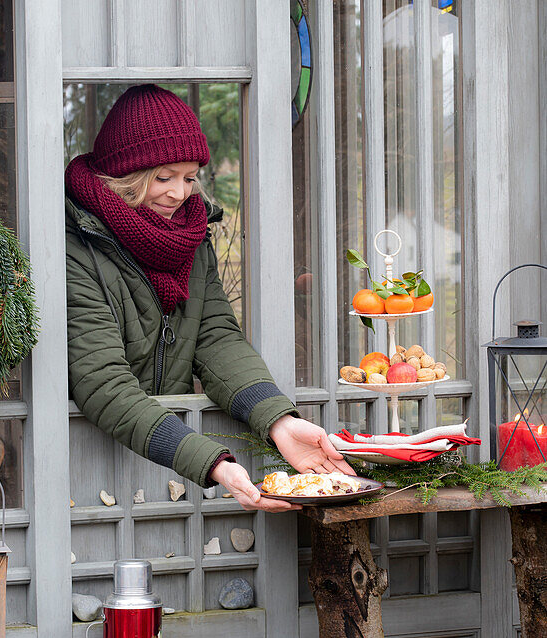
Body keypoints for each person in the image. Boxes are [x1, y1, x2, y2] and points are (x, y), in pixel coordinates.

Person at [64, 85, 353, 512]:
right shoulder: (75, 244)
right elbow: (103, 384)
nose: (179, 193)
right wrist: (213, 463)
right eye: (163, 177)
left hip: (173, 468)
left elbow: (215, 337)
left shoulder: (190, 236)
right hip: (88, 465)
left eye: (189, 177)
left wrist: (279, 420)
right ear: (126, 172)